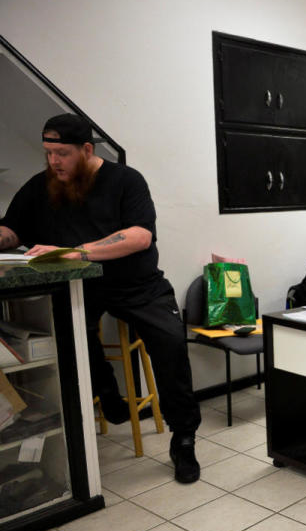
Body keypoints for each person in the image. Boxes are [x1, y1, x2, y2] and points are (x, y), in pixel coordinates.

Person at [0, 114, 201, 484]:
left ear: (87, 149)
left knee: (171, 342)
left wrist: (76, 252)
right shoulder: (40, 186)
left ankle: (183, 437)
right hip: (81, 287)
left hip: (138, 286)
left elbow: (139, 236)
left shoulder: (126, 180)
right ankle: (108, 393)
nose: (53, 162)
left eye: (62, 153)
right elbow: (11, 231)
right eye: (48, 153)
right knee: (65, 332)